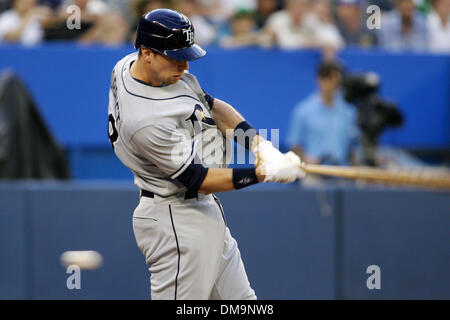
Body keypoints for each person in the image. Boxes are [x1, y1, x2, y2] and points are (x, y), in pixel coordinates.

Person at [107, 8, 305, 300]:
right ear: (147, 53)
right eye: (175, 56)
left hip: (202, 212)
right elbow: (197, 178)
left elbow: (210, 105)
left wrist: (262, 147)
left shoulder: (131, 66)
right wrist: (262, 173)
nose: (184, 66)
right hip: (174, 219)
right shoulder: (145, 121)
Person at [287, 61, 359, 166]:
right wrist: (307, 160)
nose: (331, 84)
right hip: (313, 175)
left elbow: (353, 148)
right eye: (327, 77)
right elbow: (295, 147)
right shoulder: (303, 111)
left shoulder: (349, 112)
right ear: (319, 79)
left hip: (342, 175)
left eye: (336, 80)